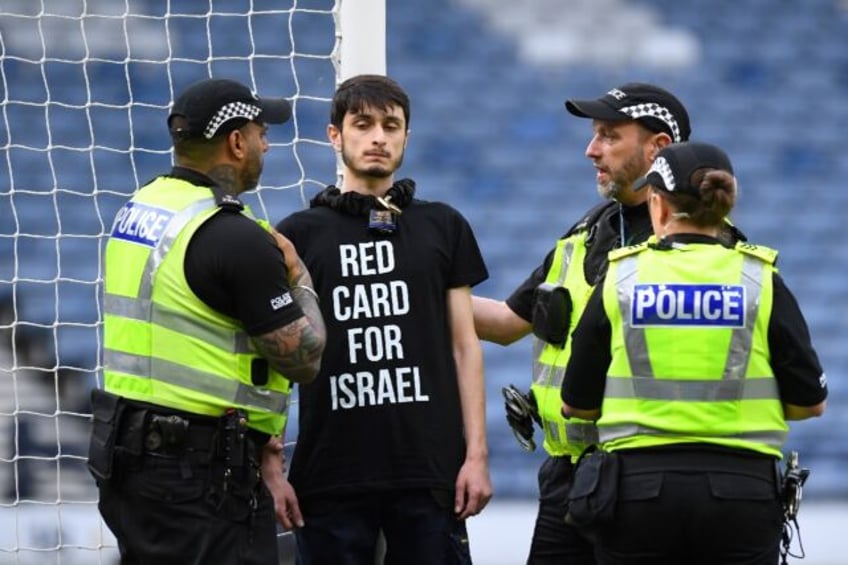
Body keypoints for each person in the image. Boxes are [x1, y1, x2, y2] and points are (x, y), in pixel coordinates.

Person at [473, 82, 740, 564]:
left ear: (658, 148)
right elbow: (507, 323)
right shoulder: (586, 230)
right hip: (570, 478)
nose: (591, 149)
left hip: (648, 481)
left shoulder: (708, 250)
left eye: (609, 136)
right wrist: (416, 284)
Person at [88, 77, 327, 564]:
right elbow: (304, 358)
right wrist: (300, 276)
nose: (267, 141)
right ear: (236, 143)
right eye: (261, 130)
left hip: (129, 459)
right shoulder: (236, 237)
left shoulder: (141, 208)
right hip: (200, 478)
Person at [561, 141, 828, 565]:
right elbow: (811, 402)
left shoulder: (621, 276)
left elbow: (575, 404)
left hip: (638, 492)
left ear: (659, 206)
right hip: (742, 492)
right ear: (724, 207)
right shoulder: (759, 278)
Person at [275, 74, 493, 564]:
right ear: (335, 135)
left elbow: (465, 346)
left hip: (430, 473)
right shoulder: (297, 235)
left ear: (406, 137)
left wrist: (476, 456)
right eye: (363, 123)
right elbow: (276, 356)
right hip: (330, 473)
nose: (378, 137)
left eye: (391, 126)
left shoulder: (444, 225)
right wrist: (273, 462)